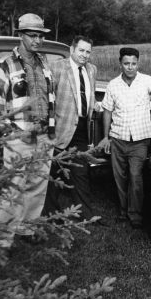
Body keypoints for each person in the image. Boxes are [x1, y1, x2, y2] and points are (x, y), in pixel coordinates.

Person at [98, 47, 151, 229]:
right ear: (120, 64)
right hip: (118, 139)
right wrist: (106, 137)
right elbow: (107, 111)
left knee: (136, 176)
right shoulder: (113, 84)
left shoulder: (146, 81)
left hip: (140, 140)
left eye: (134, 64)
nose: (130, 67)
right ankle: (123, 211)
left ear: (138, 64)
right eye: (126, 64)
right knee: (120, 178)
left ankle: (135, 214)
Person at [0, 13, 56, 247]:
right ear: (21, 35)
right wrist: (14, 134)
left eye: (40, 36)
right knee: (13, 190)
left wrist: (50, 130)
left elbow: (50, 99)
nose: (37, 40)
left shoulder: (44, 64)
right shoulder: (3, 65)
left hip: (44, 137)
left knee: (37, 186)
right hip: (19, 139)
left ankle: (27, 230)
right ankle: (3, 242)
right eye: (32, 35)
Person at [43, 35, 101, 222]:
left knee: (81, 172)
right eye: (81, 50)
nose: (85, 55)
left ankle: (87, 215)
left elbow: (89, 95)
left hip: (83, 128)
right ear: (72, 49)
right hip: (61, 127)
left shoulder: (92, 69)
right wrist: (48, 127)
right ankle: (51, 214)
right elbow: (48, 99)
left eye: (88, 52)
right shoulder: (58, 67)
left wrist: (95, 106)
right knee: (53, 171)